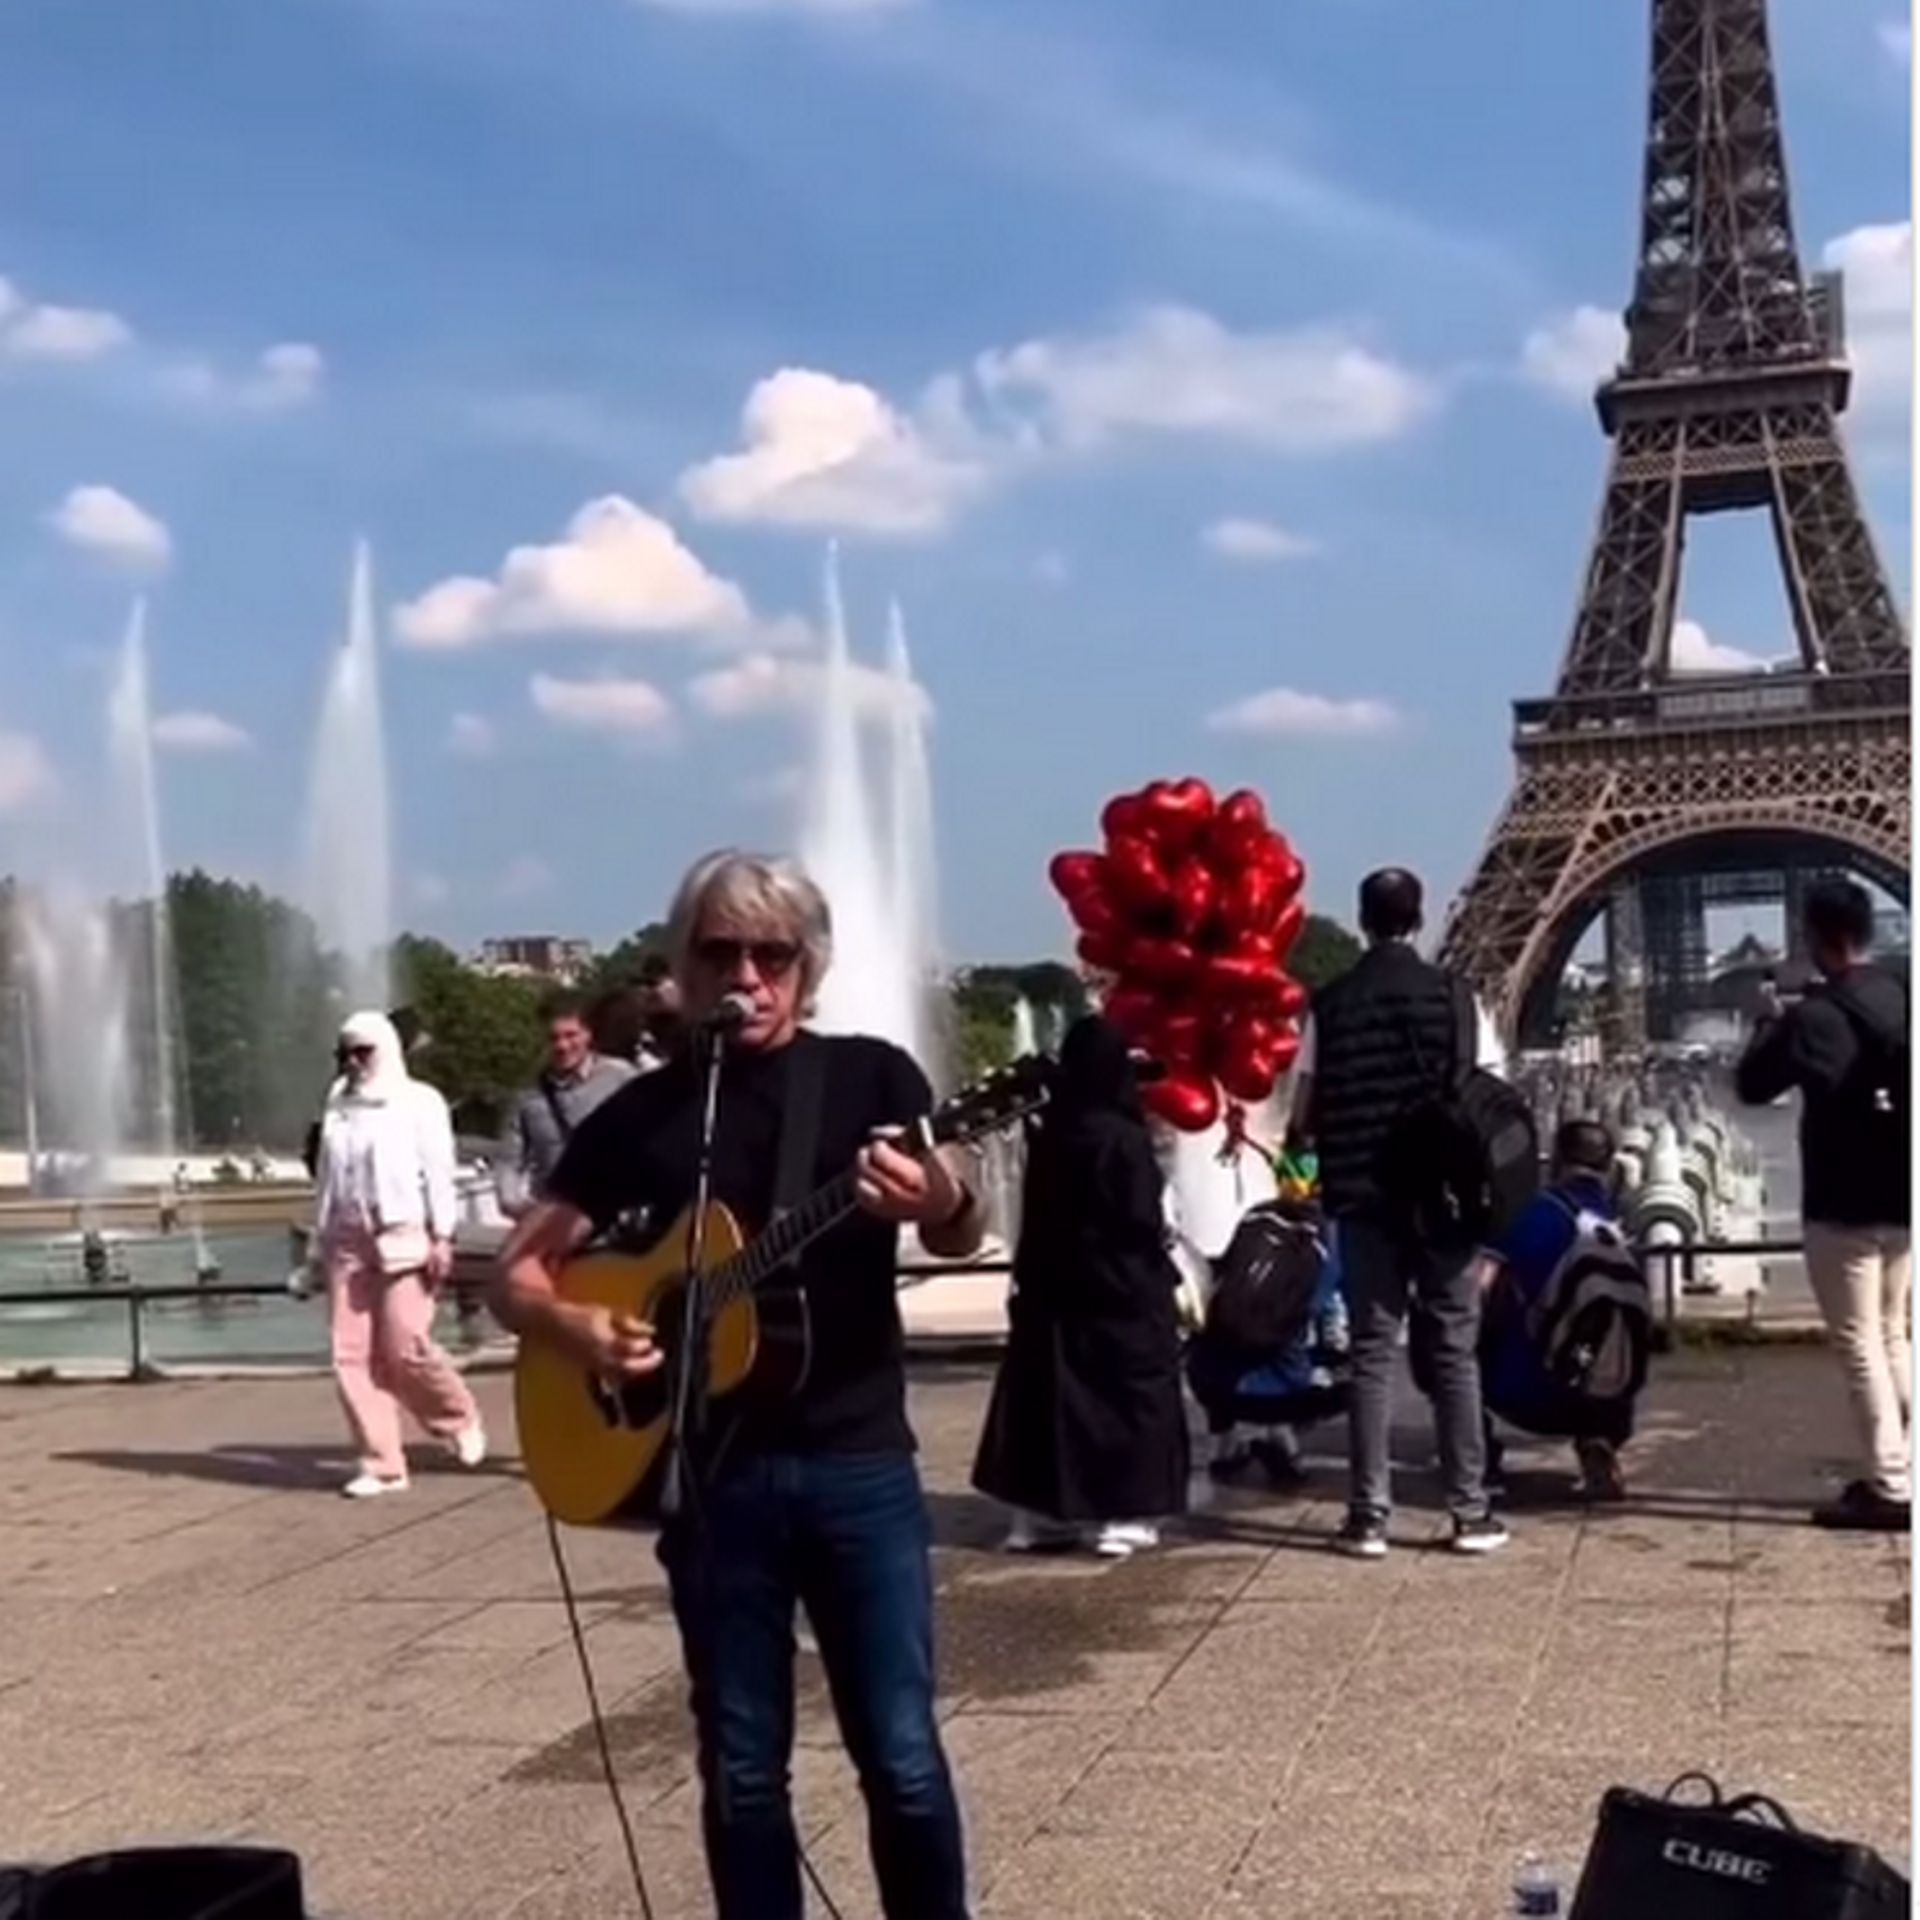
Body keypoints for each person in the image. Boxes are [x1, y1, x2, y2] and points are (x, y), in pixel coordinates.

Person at [492, 851, 981, 1920]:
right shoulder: (646, 1115)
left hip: (856, 1460)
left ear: (809, 968)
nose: (749, 975)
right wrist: (574, 1322)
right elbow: (518, 1277)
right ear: (684, 969)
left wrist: (934, 1194)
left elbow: (960, 1225)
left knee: (900, 1753)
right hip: (712, 1478)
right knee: (744, 1766)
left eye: (775, 953)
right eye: (723, 952)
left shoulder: (869, 1078)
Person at [1288, 867, 1508, 1558]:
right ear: (1419, 920)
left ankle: (1369, 1516)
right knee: (1454, 1353)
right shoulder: (1456, 997)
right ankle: (1470, 1512)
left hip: (1363, 1198)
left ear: (1362, 920)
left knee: (1372, 1354)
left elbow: (1301, 1118)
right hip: (1442, 1202)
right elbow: (1493, 1102)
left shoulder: (1330, 1004)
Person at [971, 1016, 1189, 1557]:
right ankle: (1123, 1513)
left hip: (1053, 1290)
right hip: (1121, 1291)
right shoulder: (1124, 1139)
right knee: (1131, 1400)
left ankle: (1037, 1514)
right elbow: (1140, 1221)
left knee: (1049, 1402)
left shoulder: (1052, 1132)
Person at [1737, 879, 1911, 1532]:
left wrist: (1767, 1019)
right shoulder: (1900, 993)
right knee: (1896, 1333)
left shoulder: (1813, 1017)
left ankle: (1891, 1487)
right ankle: (1903, 1465)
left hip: (1842, 1202)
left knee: (1860, 1343)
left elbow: (1754, 1086)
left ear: (1818, 937)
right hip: (1904, 1195)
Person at [312, 1011, 485, 1498]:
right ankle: (382, 1463)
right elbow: (328, 1174)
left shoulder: (419, 1101)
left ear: (385, 1049)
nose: (352, 1061)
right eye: (343, 1052)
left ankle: (455, 1416)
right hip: (346, 1235)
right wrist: (315, 1242)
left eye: (362, 1051)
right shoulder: (337, 1102)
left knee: (406, 1345)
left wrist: (443, 1234)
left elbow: (438, 1170)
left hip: (403, 1232)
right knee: (350, 1354)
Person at [1466, 1118, 1640, 1502]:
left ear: (1556, 1160)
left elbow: (1477, 1289)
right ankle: (1599, 1440)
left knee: (1444, 1331)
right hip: (1605, 1397)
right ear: (1609, 1166)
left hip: (1523, 1393)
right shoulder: (1621, 1230)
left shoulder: (1530, 1215)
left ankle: (1480, 1460)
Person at [495, 990, 635, 1219]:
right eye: (553, 1037)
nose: (562, 1046)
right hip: (551, 1219)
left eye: (571, 1035)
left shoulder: (620, 1078)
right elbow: (509, 1160)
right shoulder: (527, 1095)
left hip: (612, 1217)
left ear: (589, 1034)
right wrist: (513, 1204)